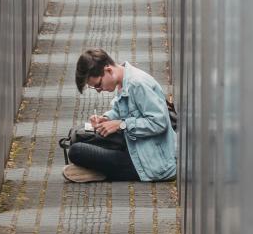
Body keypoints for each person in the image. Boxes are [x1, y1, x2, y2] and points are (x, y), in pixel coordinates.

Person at [62, 48, 177, 183]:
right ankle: (99, 169)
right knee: (80, 138)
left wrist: (121, 124)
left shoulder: (137, 84)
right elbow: (121, 111)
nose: (98, 91)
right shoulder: (124, 79)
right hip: (135, 145)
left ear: (108, 70)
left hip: (151, 162)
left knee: (77, 151)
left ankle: (99, 171)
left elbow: (159, 122)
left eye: (98, 85)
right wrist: (106, 118)